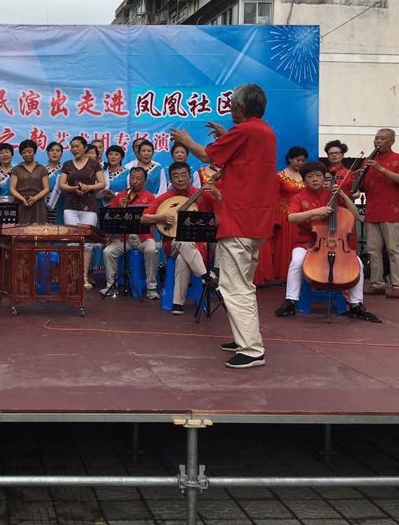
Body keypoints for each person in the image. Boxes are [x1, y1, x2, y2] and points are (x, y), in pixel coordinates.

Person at [171, 83, 278, 369]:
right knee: (242, 283)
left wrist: (185, 140)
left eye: (232, 104)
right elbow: (242, 159)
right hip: (256, 219)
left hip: (239, 219)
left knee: (235, 286)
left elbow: (207, 156)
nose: (230, 108)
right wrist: (225, 136)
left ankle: (252, 349)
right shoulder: (264, 131)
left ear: (241, 107)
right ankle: (244, 339)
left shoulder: (244, 131)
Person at [274, 162, 381, 322]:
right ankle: (290, 301)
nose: (315, 179)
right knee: (296, 261)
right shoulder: (298, 197)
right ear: (304, 180)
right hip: (306, 242)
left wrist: (343, 195)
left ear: (324, 178)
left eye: (318, 176)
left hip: (336, 242)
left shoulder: (333, 195)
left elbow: (355, 215)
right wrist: (315, 212)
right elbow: (291, 218)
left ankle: (356, 304)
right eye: (310, 176)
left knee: (357, 263)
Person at [141, 162, 219, 313]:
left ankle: (177, 304)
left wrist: (216, 193)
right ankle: (206, 277)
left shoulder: (200, 193)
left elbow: (221, 206)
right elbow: (144, 218)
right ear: (170, 180)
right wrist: (161, 217)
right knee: (182, 240)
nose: (180, 179)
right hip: (172, 244)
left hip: (198, 243)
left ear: (190, 177)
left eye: (184, 175)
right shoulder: (165, 198)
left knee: (183, 257)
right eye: (176, 176)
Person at [361, 128, 399, 299]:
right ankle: (377, 283)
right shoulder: (368, 161)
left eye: (382, 138)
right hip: (372, 210)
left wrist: (380, 169)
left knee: (393, 249)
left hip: (392, 211)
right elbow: (363, 185)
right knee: (372, 250)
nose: (378, 141)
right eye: (376, 138)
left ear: (392, 141)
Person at [102, 166, 160, 299]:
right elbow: (110, 216)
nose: (134, 181)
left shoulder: (150, 197)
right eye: (132, 178)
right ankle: (111, 286)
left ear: (144, 180)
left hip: (143, 237)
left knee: (152, 250)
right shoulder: (121, 196)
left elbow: (150, 218)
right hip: (124, 237)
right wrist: (120, 209)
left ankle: (151, 287)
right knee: (107, 252)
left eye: (138, 178)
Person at [58, 135, 106, 290]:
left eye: (77, 146)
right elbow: (61, 185)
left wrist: (89, 187)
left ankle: (84, 276)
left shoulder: (94, 164)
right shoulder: (67, 164)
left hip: (89, 207)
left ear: (85, 148)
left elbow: (102, 183)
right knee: (72, 241)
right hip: (70, 206)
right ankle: (73, 275)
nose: (74, 149)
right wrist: (74, 189)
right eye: (72, 147)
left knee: (87, 243)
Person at [269, 147, 307, 282]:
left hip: (302, 216)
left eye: (302, 161)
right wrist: (275, 219)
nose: (300, 163)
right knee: (284, 247)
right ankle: (284, 276)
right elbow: (274, 198)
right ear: (290, 159)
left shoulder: (305, 176)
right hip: (284, 215)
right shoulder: (279, 176)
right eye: (298, 160)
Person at [9, 139, 50, 224]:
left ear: (34, 152)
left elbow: (46, 189)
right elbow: (12, 189)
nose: (27, 154)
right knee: (20, 229)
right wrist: (22, 199)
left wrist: (35, 199)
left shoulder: (42, 169)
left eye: (29, 151)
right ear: (20, 154)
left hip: (38, 204)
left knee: (39, 229)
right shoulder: (16, 169)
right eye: (24, 152)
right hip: (21, 203)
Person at [45, 141, 66, 224]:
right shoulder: (41, 169)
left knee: (59, 227)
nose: (54, 153)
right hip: (43, 202)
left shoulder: (66, 169)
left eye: (57, 151)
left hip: (60, 202)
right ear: (47, 153)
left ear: (61, 154)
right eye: (52, 150)